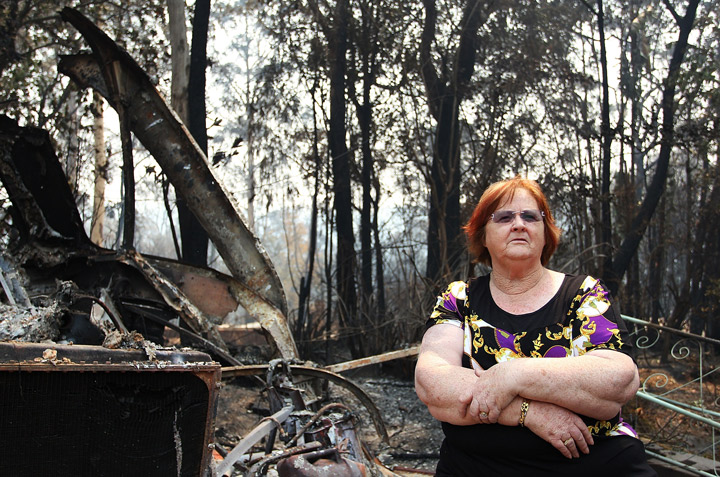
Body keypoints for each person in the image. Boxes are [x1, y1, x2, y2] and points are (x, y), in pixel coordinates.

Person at [414, 176, 656, 476]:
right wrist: (529, 412)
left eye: (530, 216)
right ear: (483, 236)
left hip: (589, 464)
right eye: (503, 217)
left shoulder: (584, 294)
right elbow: (433, 384)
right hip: (476, 465)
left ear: (545, 234)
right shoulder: (458, 299)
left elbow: (618, 380)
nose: (518, 224)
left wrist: (512, 374)